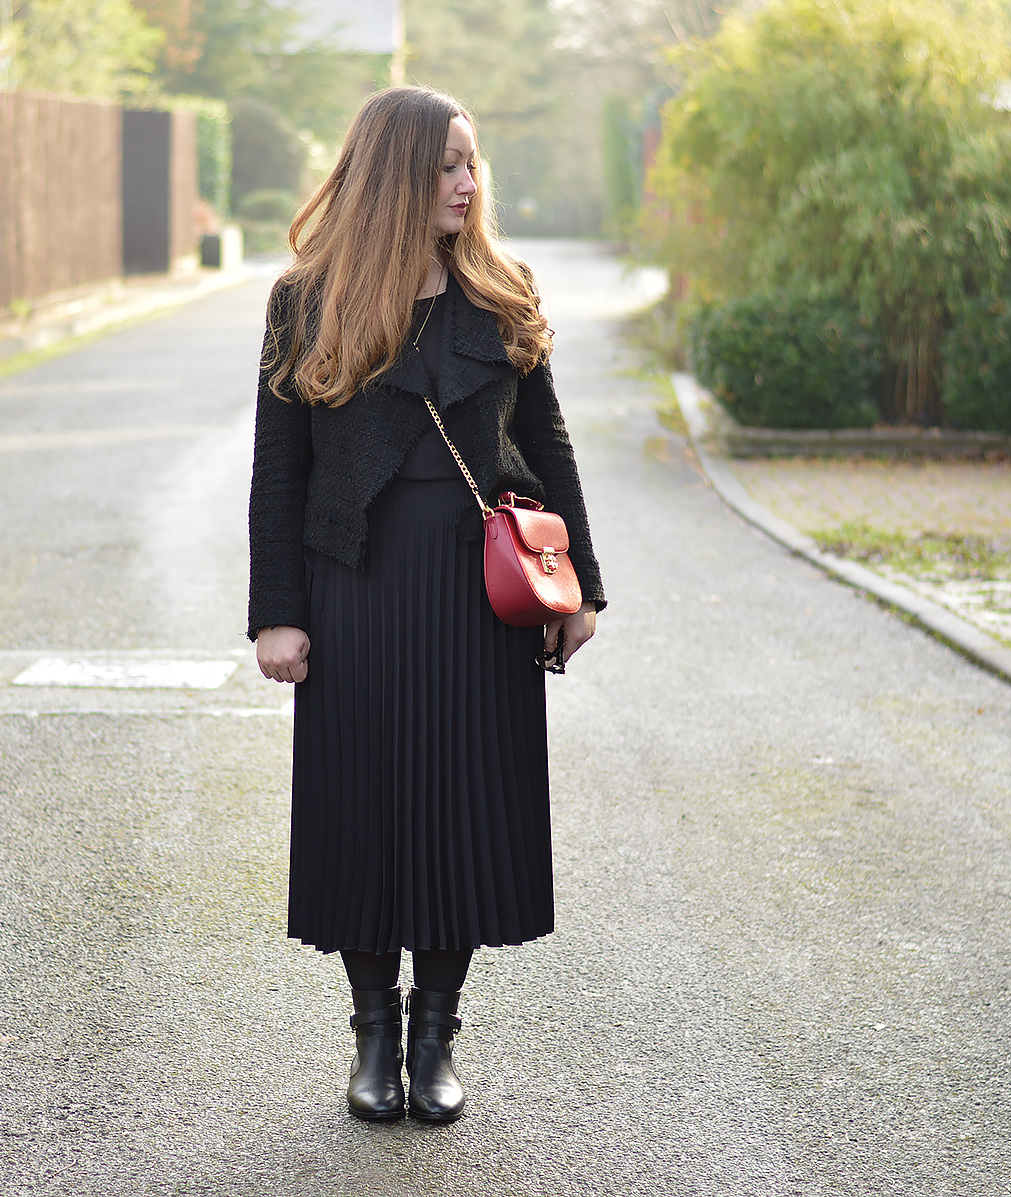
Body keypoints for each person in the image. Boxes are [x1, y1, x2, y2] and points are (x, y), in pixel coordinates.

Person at [247, 86, 605, 1124]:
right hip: (352, 587)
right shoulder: (304, 303)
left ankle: (438, 1034)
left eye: (472, 162)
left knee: (462, 808)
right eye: (446, 163)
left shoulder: (502, 292)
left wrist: (580, 585)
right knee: (362, 807)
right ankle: (372, 1036)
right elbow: (280, 473)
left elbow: (551, 445)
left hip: (478, 593)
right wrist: (278, 611)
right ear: (395, 170)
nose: (465, 181)